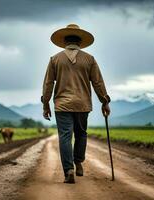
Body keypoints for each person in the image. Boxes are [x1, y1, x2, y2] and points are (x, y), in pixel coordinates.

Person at [41, 24, 111, 184]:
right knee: (81, 134)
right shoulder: (89, 59)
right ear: (80, 42)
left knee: (65, 136)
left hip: (62, 105)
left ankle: (69, 170)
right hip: (82, 104)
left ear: (64, 41)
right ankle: (78, 161)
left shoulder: (55, 59)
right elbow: (98, 83)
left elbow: (48, 84)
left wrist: (45, 104)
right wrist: (104, 101)